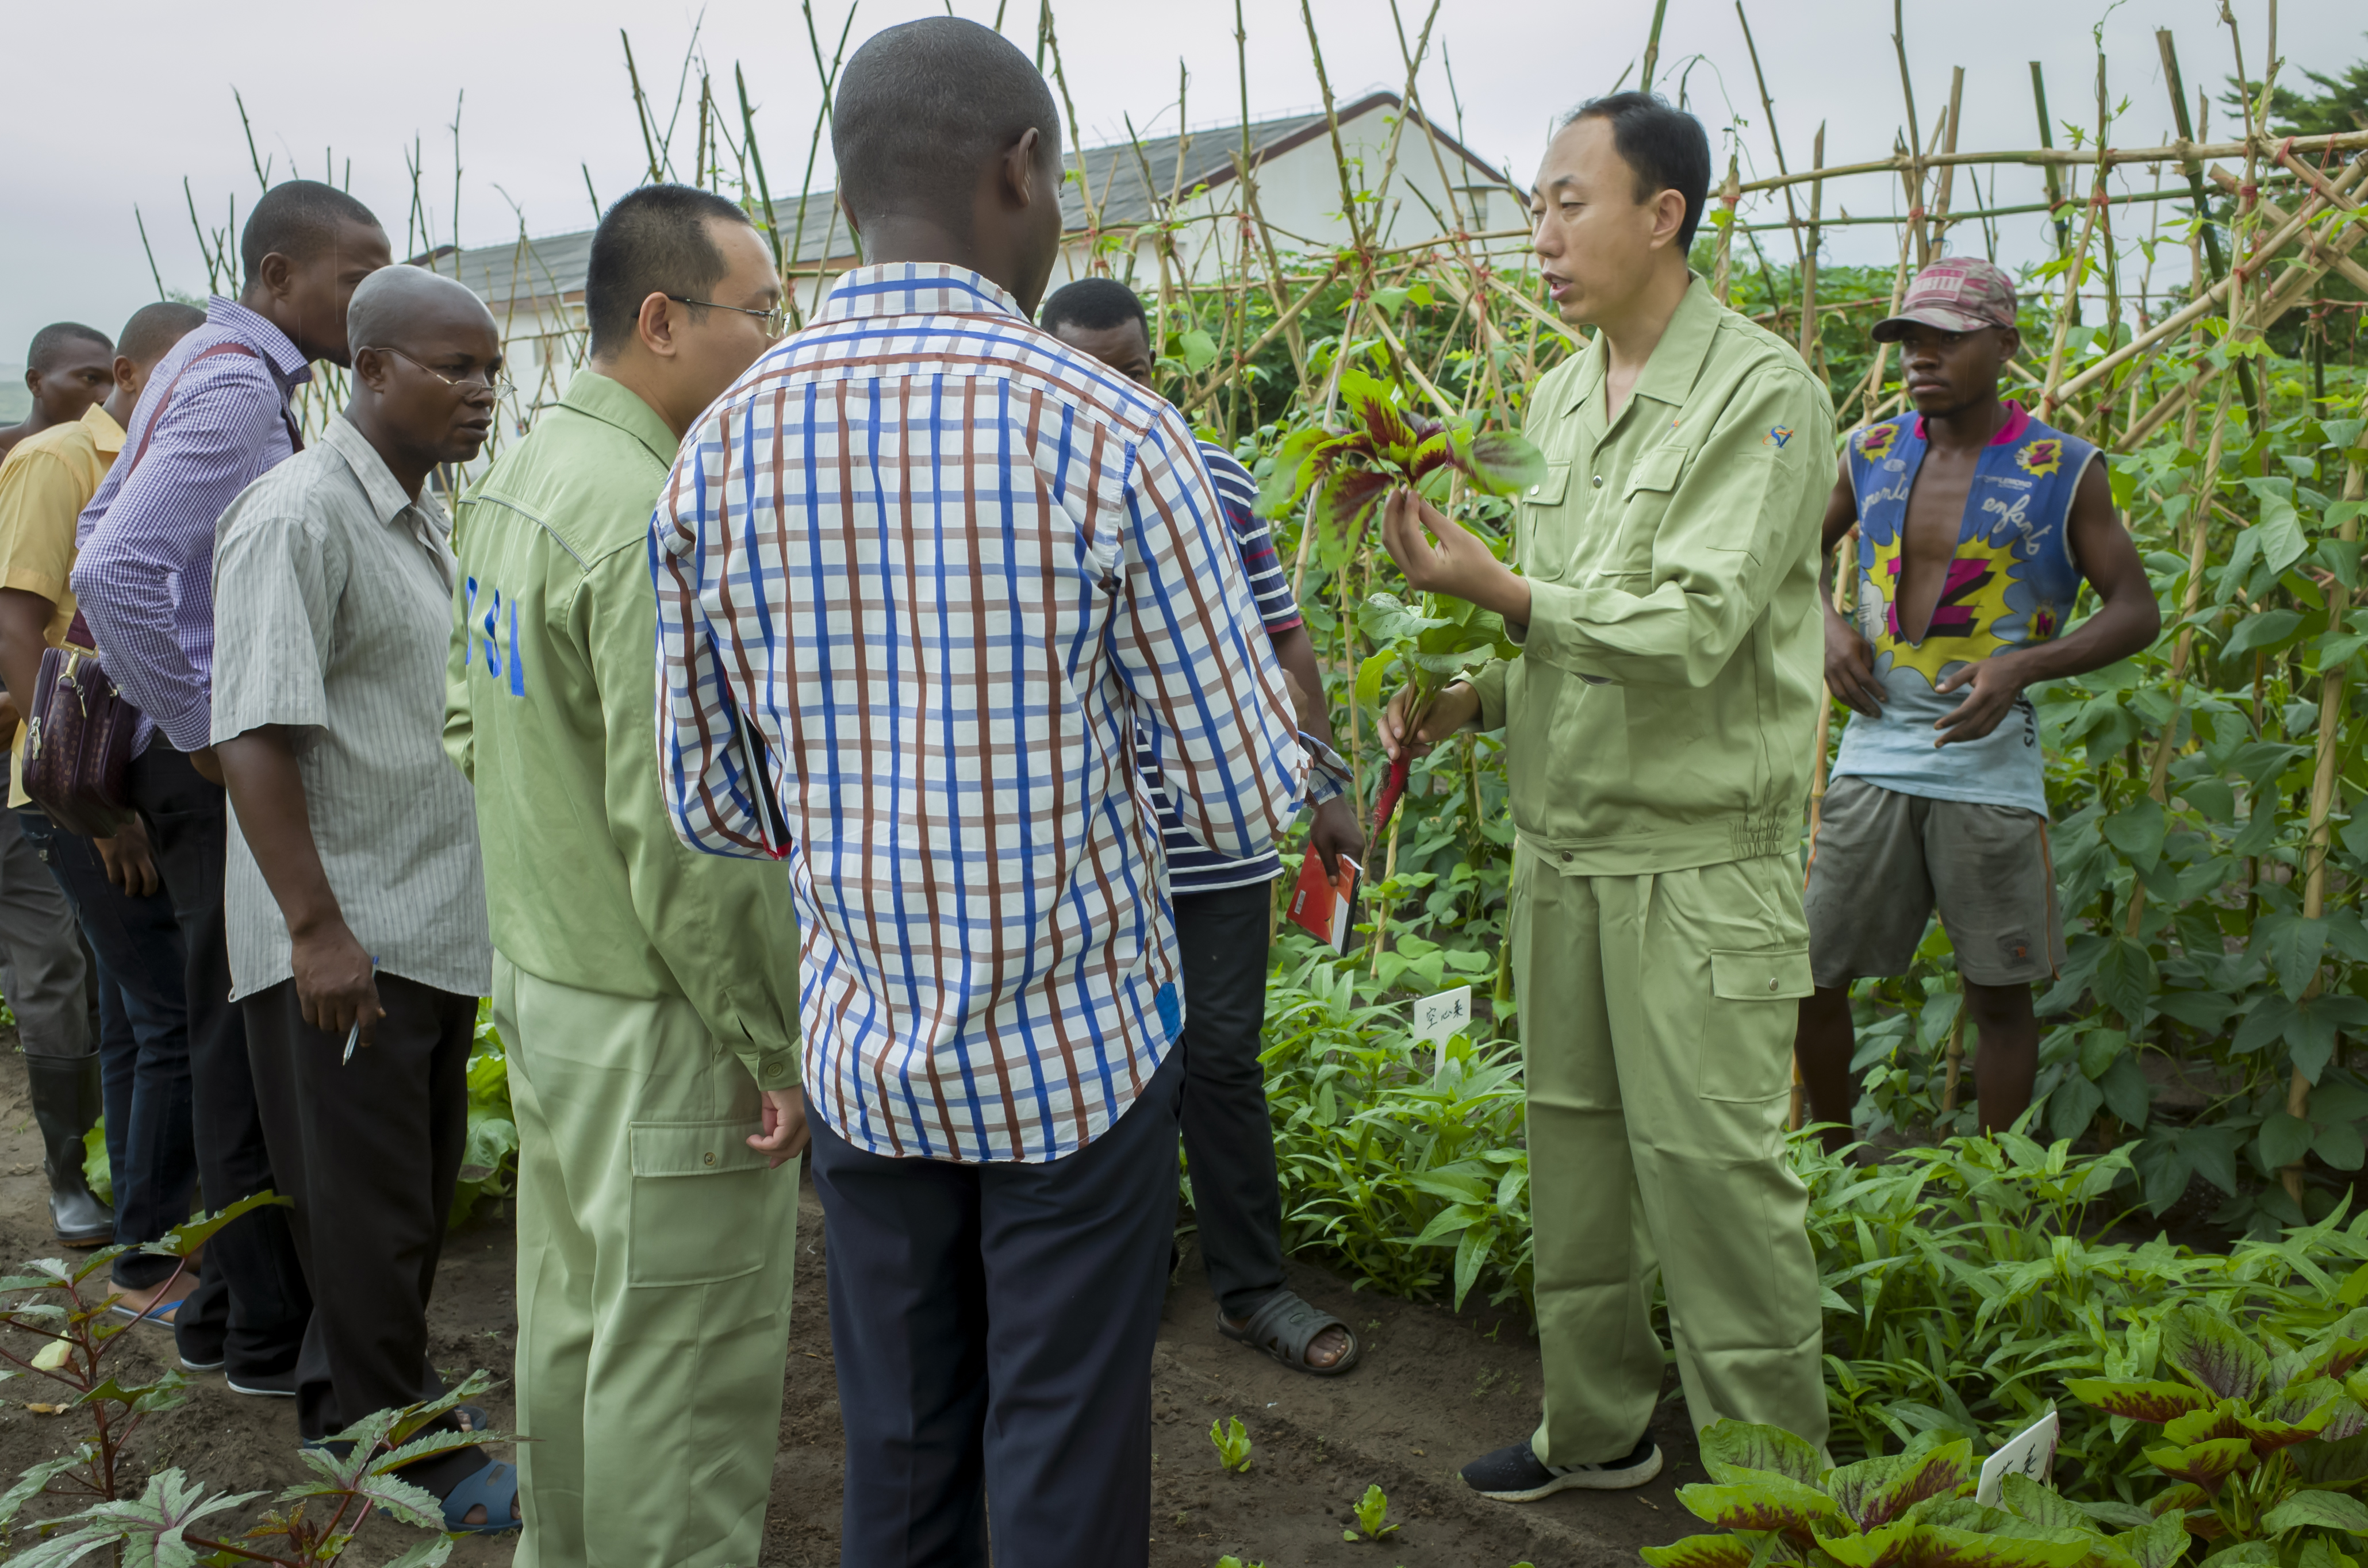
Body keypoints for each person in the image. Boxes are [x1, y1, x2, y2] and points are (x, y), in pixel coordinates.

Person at [653, 18, 1320, 1565]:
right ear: (1018, 171)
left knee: (894, 1451)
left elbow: (709, 803)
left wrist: (867, 815)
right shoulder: (1112, 436)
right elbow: (1233, 802)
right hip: (1073, 1055)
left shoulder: (720, 445)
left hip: (867, 1052)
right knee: (1061, 1449)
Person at [1377, 92, 1835, 1497]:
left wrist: (1500, 591)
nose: (1542, 232)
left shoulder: (1763, 398)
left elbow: (1693, 628)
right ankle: (1599, 1427)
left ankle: (1776, 1485)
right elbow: (1563, 632)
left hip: (1699, 864)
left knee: (1713, 1177)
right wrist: (1469, 694)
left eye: (1568, 201)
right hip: (1563, 850)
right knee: (1571, 1154)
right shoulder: (1561, 398)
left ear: (1662, 214)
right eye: (1534, 204)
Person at [444, 183, 804, 1567]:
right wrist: (771, 1039)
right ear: (664, 320)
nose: (773, 341)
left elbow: (467, 720)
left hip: (548, 984)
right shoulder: (655, 518)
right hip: (662, 1013)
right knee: (686, 1369)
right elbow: (691, 838)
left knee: (579, 1308)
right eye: (758, 313)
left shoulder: (525, 478)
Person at [208, 264, 512, 1533]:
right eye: (455, 367)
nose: (482, 392)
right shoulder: (299, 516)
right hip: (349, 931)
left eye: (493, 369)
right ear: (371, 368)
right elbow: (253, 735)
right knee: (374, 1211)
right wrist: (316, 930)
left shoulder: (418, 511)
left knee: (397, 1194)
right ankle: (413, 1451)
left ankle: (349, 1405)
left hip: (425, 917)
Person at [74, 179, 391, 1392]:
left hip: (196, 758)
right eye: (354, 278)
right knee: (238, 1035)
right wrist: (203, 727)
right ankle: (263, 1322)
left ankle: (225, 1314)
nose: (371, 301)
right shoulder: (230, 385)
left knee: (224, 1025)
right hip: (207, 768)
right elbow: (113, 562)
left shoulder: (214, 365)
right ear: (276, 279)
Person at [1038, 276, 1365, 1375]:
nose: (1113, 391)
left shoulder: (1209, 479)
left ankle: (1250, 1286)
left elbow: (1285, 642)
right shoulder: (1018, 487)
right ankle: (1125, 1274)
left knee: (1218, 1058)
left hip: (1215, 836)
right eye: (1088, 371)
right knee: (1108, 1065)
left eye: (1131, 371)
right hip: (1083, 842)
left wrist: (1321, 781)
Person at [1794, 258, 2160, 1147]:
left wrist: (2023, 666)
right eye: (1910, 340)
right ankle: (1837, 1161)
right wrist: (1829, 627)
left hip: (1988, 766)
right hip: (1872, 754)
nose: (1921, 358)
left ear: (2003, 345)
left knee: (1996, 994)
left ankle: (1998, 1190)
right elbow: (1787, 560)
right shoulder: (1868, 452)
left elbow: (2134, 611)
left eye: (1946, 340)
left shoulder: (2062, 467)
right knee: (1808, 975)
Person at [0, 301, 206, 1295]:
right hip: (80, 784)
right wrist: (100, 811)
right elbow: (24, 627)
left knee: (134, 1018)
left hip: (112, 778)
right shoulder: (56, 461)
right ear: (129, 373)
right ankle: (155, 1255)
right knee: (167, 1013)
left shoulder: (153, 456)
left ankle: (141, 1226)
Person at [1, 324, 117, 460]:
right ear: (35, 382)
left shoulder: (116, 459)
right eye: (90, 378)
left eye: (115, 385)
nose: (108, 397)